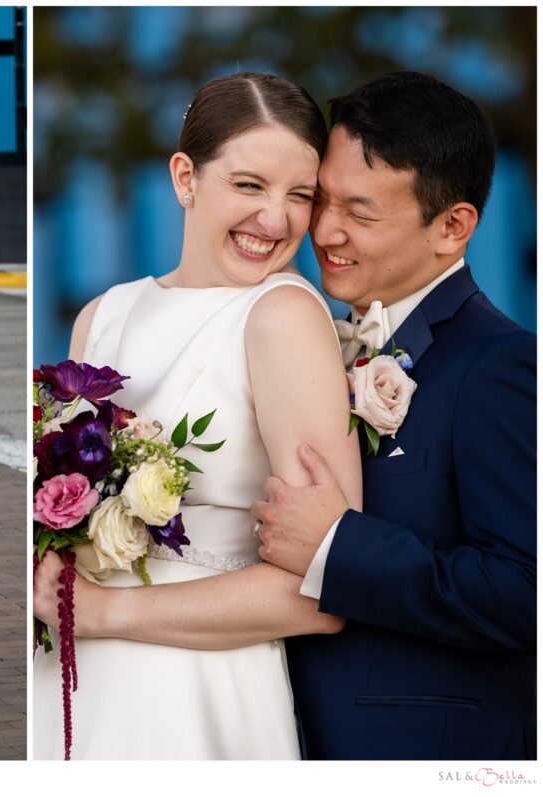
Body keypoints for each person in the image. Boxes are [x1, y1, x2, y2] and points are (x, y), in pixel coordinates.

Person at [32, 73, 362, 759]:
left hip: (194, 685)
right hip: (69, 670)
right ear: (185, 177)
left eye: (299, 195)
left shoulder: (282, 315)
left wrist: (107, 611)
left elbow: (329, 588)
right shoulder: (103, 315)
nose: (275, 220)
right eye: (249, 185)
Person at [253, 72, 536, 759]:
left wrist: (338, 546)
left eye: (361, 211)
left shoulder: (499, 366)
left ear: (452, 227)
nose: (325, 230)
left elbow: (524, 591)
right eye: (321, 198)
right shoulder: (313, 341)